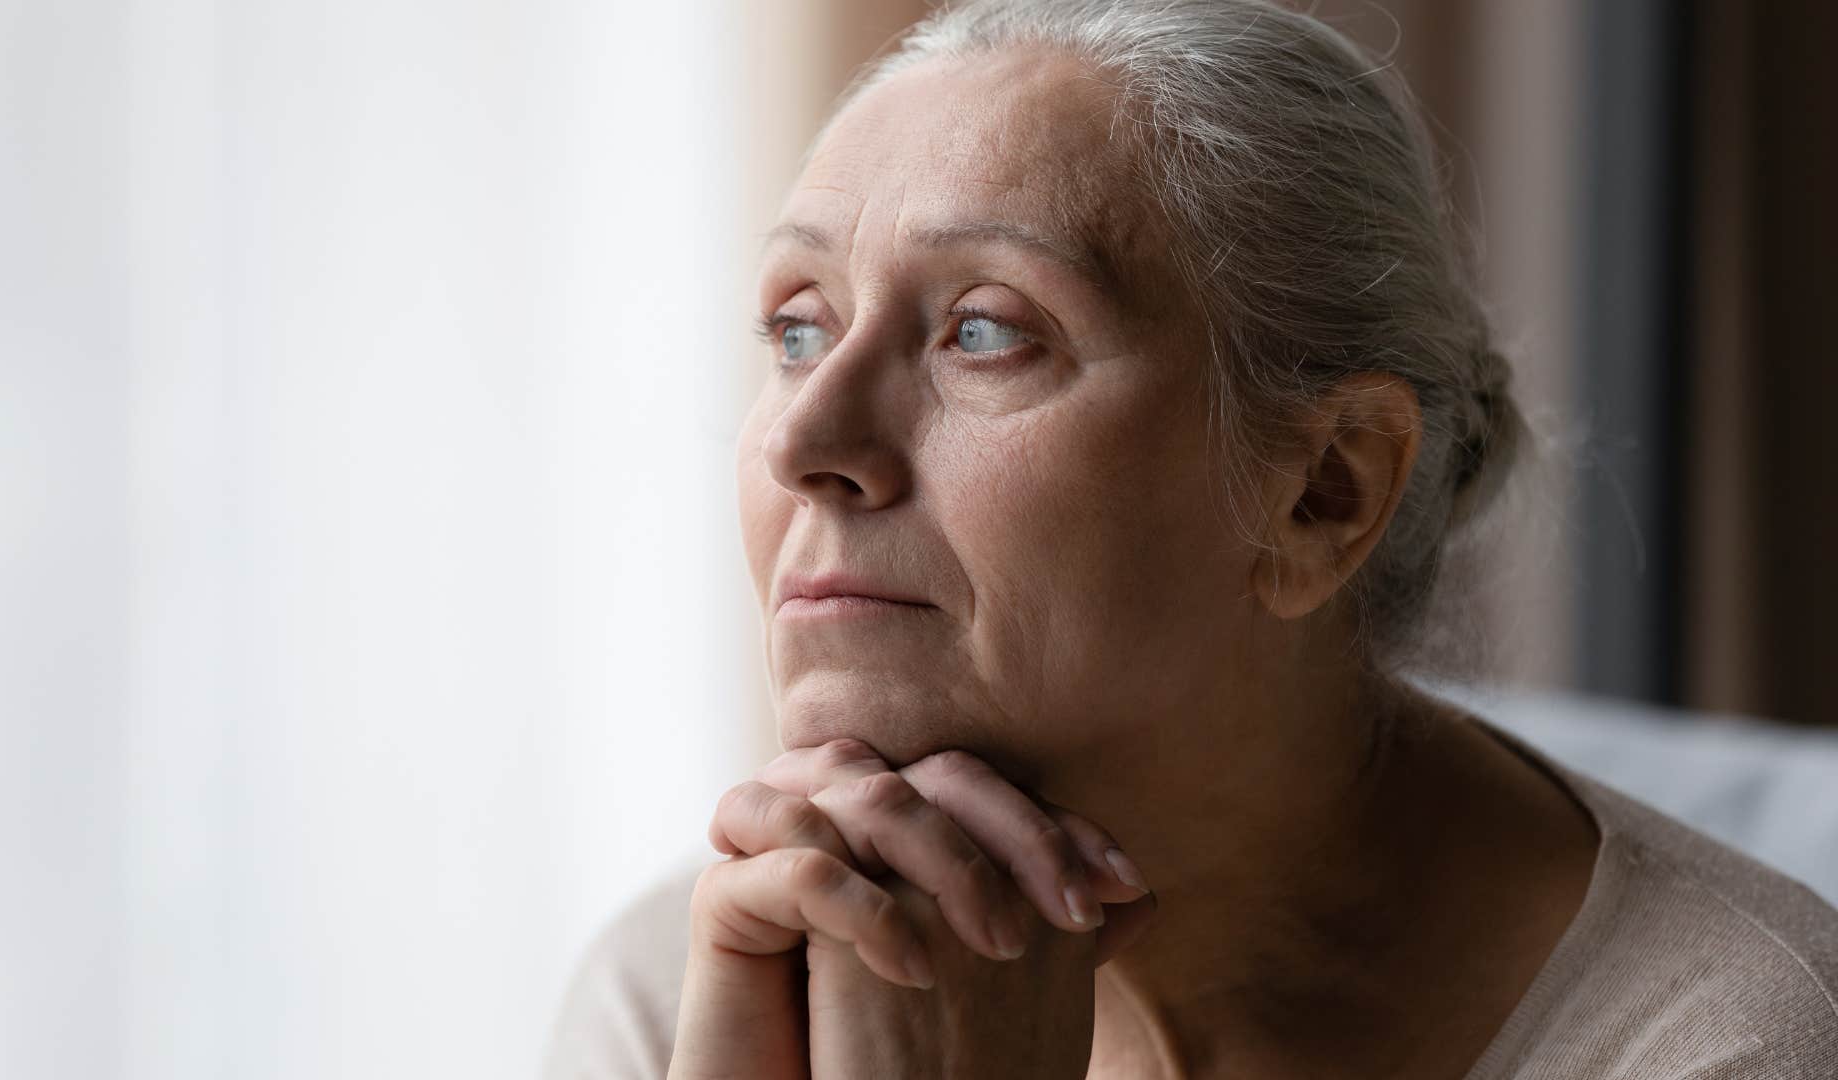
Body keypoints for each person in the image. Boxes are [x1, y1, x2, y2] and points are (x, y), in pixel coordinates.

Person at [551, 1, 1838, 1075]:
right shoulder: (691, 992)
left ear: (1324, 492)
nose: (803, 438)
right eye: (798, 327)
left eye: (985, 330)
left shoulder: (1730, 1047)